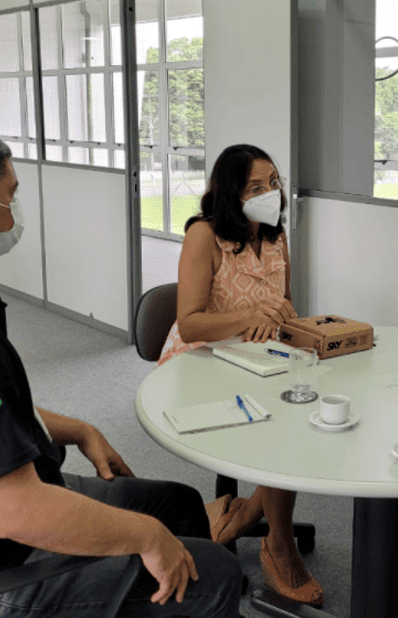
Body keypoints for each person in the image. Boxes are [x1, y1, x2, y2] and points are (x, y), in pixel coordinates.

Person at [0, 128, 242, 617]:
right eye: (9, 196)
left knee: (177, 505)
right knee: (212, 570)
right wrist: (147, 539)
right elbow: (13, 511)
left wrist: (79, 429)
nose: (15, 213)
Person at [158, 144, 323, 607]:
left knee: (308, 406)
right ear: (229, 192)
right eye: (256, 187)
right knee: (283, 429)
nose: (270, 193)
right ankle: (279, 545)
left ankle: (247, 511)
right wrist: (249, 313)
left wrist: (292, 325)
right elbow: (189, 323)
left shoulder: (275, 236)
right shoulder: (203, 236)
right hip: (200, 361)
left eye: (274, 183)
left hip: (257, 358)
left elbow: (283, 306)